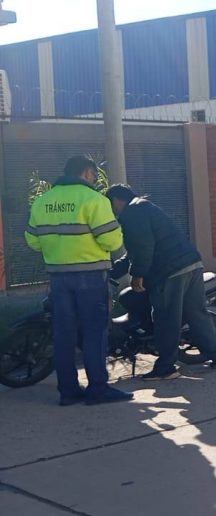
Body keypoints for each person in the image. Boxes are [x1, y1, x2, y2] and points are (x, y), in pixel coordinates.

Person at [25, 156, 134, 406]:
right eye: (95, 176)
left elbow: (32, 241)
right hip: (91, 277)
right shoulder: (93, 200)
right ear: (86, 173)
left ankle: (68, 391)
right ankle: (97, 389)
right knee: (94, 332)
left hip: (58, 278)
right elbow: (112, 242)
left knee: (63, 334)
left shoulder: (43, 202)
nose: (95, 181)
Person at [105, 184, 216, 380]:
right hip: (191, 263)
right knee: (196, 312)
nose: (111, 211)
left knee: (166, 318)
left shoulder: (132, 212)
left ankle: (166, 367)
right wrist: (112, 272)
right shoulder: (145, 207)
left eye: (109, 205)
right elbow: (134, 253)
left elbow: (143, 247)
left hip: (169, 271)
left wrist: (138, 275)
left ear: (116, 200)